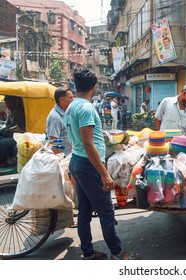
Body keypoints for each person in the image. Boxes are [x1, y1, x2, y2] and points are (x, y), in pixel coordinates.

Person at [65, 67, 136, 260]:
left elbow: (77, 140)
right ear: (94, 87)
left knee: (85, 211)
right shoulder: (86, 108)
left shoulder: (71, 106)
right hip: (88, 165)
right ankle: (118, 253)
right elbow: (88, 143)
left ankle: (88, 253)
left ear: (76, 85)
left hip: (78, 162)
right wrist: (105, 174)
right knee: (106, 211)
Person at [46, 88, 74, 156]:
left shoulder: (67, 113)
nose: (73, 100)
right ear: (62, 100)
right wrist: (62, 160)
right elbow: (53, 145)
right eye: (70, 97)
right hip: (61, 159)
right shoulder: (55, 118)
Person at [0, 96, 25, 167]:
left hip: (21, 134)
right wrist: (2, 129)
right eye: (6, 103)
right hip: (13, 133)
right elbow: (7, 123)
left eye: (9, 103)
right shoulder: (11, 111)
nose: (7, 105)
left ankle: (2, 162)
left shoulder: (18, 111)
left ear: (14, 102)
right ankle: (7, 158)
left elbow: (13, 124)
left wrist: (5, 130)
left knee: (2, 143)